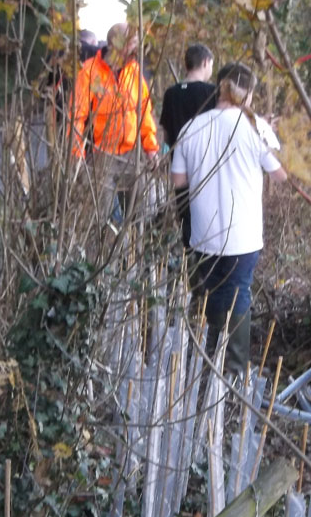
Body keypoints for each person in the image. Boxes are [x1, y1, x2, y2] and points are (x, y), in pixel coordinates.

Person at [171, 62, 287, 374]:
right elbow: (281, 175)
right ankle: (233, 369)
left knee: (208, 291)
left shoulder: (190, 128)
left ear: (217, 87)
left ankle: (206, 363)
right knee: (237, 293)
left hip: (203, 232)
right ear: (248, 93)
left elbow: (178, 182)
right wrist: (271, 135)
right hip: (244, 233)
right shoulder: (256, 128)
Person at [69, 22, 160, 226]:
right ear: (114, 44)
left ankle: (137, 248)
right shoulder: (90, 71)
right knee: (103, 214)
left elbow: (144, 113)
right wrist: (77, 156)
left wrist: (151, 148)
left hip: (132, 152)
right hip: (101, 153)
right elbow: (77, 116)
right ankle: (111, 249)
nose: (138, 49)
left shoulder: (135, 71)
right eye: (133, 44)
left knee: (148, 204)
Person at [160, 43, 215, 246]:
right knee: (208, 220)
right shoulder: (212, 93)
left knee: (187, 220)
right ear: (205, 62)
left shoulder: (171, 93)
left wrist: (165, 154)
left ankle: (189, 261)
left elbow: (166, 134)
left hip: (179, 169)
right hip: (208, 166)